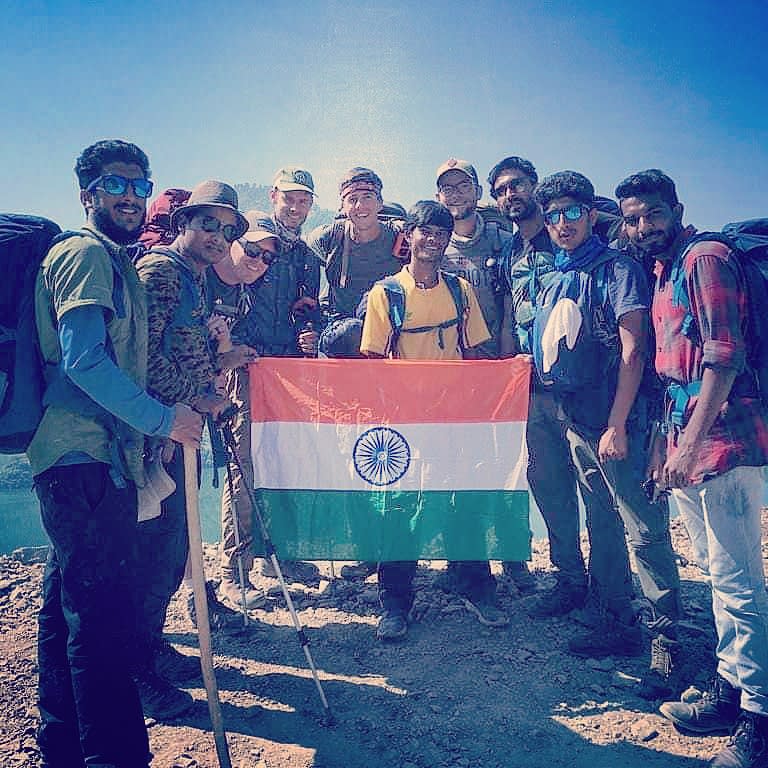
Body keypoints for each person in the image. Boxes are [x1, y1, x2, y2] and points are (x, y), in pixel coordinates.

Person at [29, 139, 202, 768]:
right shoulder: (85, 254)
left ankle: (63, 751)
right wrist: (164, 418)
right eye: (115, 184)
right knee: (101, 623)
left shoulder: (114, 259)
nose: (131, 196)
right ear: (87, 194)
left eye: (140, 184)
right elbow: (83, 360)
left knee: (67, 614)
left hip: (81, 461)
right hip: (85, 461)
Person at [617, 169, 768, 768]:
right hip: (688, 438)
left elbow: (723, 359)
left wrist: (689, 446)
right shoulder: (663, 272)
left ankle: (758, 723)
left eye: (653, 214)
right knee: (714, 569)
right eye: (631, 218)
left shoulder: (703, 258)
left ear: (677, 209)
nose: (642, 227)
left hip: (726, 443)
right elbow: (670, 374)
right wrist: (666, 445)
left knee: (738, 582)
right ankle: (729, 696)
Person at [532, 171, 681, 681]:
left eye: (571, 212)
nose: (561, 223)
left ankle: (669, 640)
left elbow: (635, 349)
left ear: (591, 215)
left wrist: (617, 425)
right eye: (552, 216)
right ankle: (616, 617)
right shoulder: (556, 274)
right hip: (576, 421)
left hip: (621, 423)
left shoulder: (617, 268)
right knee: (602, 523)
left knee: (644, 531)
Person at [360, 200, 506, 640]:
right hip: (404, 423)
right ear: (409, 234)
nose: (433, 239)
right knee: (400, 511)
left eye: (441, 233)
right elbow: (371, 363)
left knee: (465, 502)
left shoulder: (461, 291)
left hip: (454, 418)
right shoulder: (385, 294)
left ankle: (476, 586)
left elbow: (477, 350)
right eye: (425, 231)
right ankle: (395, 603)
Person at [133, 180, 252, 718]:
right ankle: (137, 670)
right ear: (184, 222)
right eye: (209, 224)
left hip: (180, 432)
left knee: (170, 546)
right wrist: (197, 396)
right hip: (153, 437)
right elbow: (141, 356)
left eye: (228, 231)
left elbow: (183, 348)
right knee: (153, 552)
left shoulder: (195, 280)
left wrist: (221, 364)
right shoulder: (160, 272)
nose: (219, 236)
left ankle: (151, 647)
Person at [488, 155, 587, 616]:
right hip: (529, 387)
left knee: (596, 492)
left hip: (576, 387)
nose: (511, 195)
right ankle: (570, 580)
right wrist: (509, 366)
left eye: (517, 185)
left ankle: (612, 595)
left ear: (534, 185)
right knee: (548, 487)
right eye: (502, 190)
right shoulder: (511, 250)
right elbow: (511, 311)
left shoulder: (566, 236)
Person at [434, 158, 534, 596]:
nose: (455, 194)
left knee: (507, 466)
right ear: (439, 197)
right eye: (446, 188)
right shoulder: (435, 245)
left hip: (499, 371)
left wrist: (509, 357)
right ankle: (463, 561)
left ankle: (514, 556)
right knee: (457, 469)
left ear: (477, 191)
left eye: (462, 186)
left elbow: (513, 300)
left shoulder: (503, 239)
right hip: (453, 377)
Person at [218, 167, 322, 587]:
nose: (295, 207)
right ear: (274, 195)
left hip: (288, 376)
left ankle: (279, 557)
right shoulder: (248, 245)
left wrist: (311, 334)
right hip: (245, 371)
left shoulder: (309, 260)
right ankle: (235, 569)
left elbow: (309, 312)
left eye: (304, 200)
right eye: (289, 198)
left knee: (285, 466)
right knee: (244, 466)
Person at [207, 211, 282, 604]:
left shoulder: (240, 290)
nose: (258, 261)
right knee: (241, 471)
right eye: (253, 249)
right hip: (177, 400)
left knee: (252, 468)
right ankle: (231, 575)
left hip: (216, 388)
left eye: (267, 257)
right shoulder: (201, 279)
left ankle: (248, 565)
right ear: (233, 240)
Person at [308, 167, 403, 320]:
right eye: (352, 199)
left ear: (380, 203)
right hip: (342, 327)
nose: (360, 205)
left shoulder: (401, 236)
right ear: (342, 207)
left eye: (367, 197)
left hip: (389, 324)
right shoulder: (328, 238)